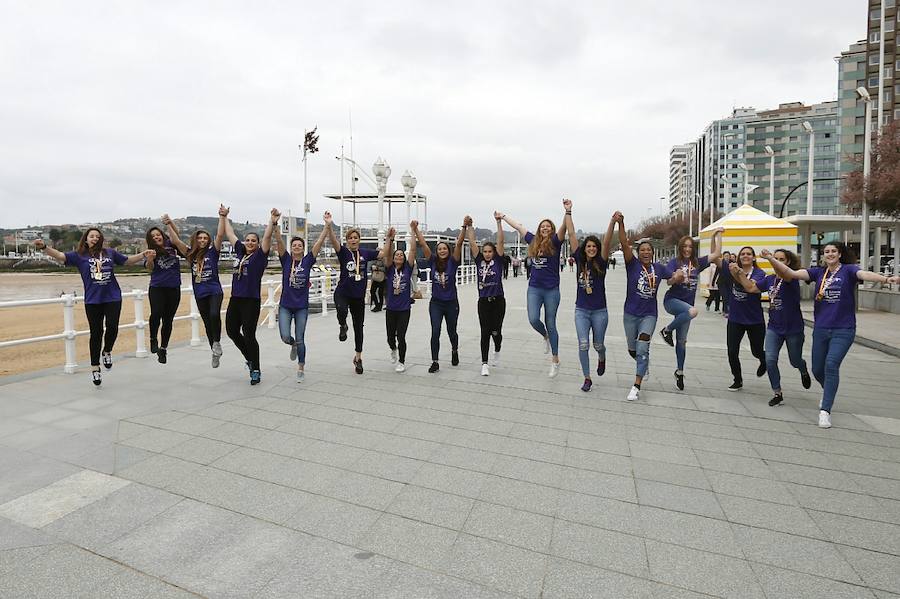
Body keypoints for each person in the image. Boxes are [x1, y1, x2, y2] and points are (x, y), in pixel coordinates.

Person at [764, 242, 899, 428]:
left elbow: (863, 274)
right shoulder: (818, 273)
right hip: (821, 328)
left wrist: (885, 279)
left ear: (840, 253)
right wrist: (771, 259)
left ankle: (825, 410)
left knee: (831, 364)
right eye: (826, 251)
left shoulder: (849, 270)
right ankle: (828, 390)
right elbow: (791, 274)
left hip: (844, 329)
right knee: (818, 370)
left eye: (833, 251)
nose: (830, 254)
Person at [34, 231, 154, 386]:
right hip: (93, 300)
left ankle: (107, 351)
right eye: (92, 236)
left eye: (98, 237)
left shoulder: (109, 253)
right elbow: (60, 256)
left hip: (113, 297)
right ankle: (95, 367)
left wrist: (143, 254)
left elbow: (127, 261)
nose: (95, 238)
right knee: (96, 333)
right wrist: (44, 247)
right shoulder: (79, 255)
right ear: (86, 239)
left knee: (112, 327)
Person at [617, 213, 684, 401]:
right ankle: (643, 361)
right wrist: (621, 223)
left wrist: (677, 277)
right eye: (643, 250)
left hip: (649, 315)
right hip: (630, 314)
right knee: (633, 349)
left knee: (643, 346)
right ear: (639, 253)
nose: (646, 252)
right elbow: (623, 243)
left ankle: (636, 386)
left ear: (652, 253)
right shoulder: (632, 265)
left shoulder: (659, 268)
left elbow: (671, 279)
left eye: (649, 250)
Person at [501, 200, 569, 377]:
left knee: (551, 323)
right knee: (533, 319)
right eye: (542, 226)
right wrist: (503, 216)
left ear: (551, 230)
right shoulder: (533, 241)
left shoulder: (555, 242)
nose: (545, 228)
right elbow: (519, 227)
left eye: (548, 226)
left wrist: (568, 211)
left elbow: (564, 228)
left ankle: (555, 360)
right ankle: (545, 336)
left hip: (552, 289)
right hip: (535, 288)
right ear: (539, 229)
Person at [325, 223, 394, 374]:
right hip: (343, 292)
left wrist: (389, 238)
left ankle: (358, 358)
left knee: (358, 327)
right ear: (347, 240)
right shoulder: (343, 252)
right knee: (342, 311)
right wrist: (328, 225)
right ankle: (342, 325)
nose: (353, 240)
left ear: (359, 240)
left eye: (355, 238)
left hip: (358, 296)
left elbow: (384, 253)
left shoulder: (365, 253)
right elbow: (333, 240)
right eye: (350, 238)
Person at [659, 229, 723, 391]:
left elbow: (716, 253)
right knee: (693, 312)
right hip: (673, 301)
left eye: (690, 247)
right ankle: (666, 330)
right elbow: (668, 282)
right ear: (680, 248)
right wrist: (676, 278)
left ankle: (679, 372)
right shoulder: (674, 262)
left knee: (681, 341)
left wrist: (716, 235)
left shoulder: (697, 263)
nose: (687, 249)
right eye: (684, 246)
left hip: (686, 307)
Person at [221, 206, 277, 385]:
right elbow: (229, 233)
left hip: (251, 301)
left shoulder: (260, 256)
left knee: (249, 335)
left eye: (253, 240)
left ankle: (255, 369)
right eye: (248, 240)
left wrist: (272, 220)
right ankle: (249, 358)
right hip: (235, 299)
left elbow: (267, 236)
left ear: (258, 244)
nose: (250, 243)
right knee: (231, 330)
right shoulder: (239, 251)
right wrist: (224, 217)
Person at [747, 249, 811, 406]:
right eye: (776, 258)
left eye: (781, 259)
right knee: (770, 360)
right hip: (774, 327)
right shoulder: (769, 280)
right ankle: (777, 392)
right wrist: (737, 273)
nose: (777, 261)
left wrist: (769, 258)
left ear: (788, 262)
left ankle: (802, 369)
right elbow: (751, 288)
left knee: (794, 360)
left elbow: (784, 273)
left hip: (793, 329)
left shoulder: (791, 278)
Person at [273, 211, 330, 382]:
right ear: (291, 248)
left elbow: (319, 243)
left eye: (299, 245)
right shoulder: (286, 260)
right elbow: (278, 241)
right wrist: (275, 224)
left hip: (301, 307)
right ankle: (292, 345)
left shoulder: (307, 261)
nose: (297, 247)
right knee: (285, 335)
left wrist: (327, 225)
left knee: (301, 338)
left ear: (303, 248)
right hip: (285, 305)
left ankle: (301, 368)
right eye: (294, 245)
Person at [164, 212, 226, 368]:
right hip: (200, 292)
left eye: (205, 238)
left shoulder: (213, 252)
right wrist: (168, 224)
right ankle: (214, 350)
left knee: (213, 314)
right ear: (195, 240)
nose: (203, 240)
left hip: (214, 290)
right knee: (206, 322)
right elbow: (176, 241)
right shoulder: (190, 254)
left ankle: (217, 342)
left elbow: (219, 234)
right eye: (200, 238)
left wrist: (222, 217)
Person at [566, 206, 615, 392]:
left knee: (598, 344)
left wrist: (612, 221)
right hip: (582, 310)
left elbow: (608, 240)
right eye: (589, 246)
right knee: (583, 344)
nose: (592, 248)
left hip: (600, 311)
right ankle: (587, 378)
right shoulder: (579, 260)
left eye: (594, 246)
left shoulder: (601, 262)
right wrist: (568, 212)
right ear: (584, 249)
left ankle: (602, 357)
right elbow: (571, 233)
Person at [414, 218, 464, 373]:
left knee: (452, 331)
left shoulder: (453, 261)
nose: (442, 251)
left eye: (445, 249)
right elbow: (423, 244)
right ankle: (434, 361)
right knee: (435, 330)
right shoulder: (433, 261)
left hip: (451, 303)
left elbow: (459, 244)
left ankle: (454, 350)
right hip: (436, 303)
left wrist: (464, 226)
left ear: (448, 251)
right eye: (439, 249)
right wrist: (415, 229)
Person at [718, 246, 767, 391]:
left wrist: (739, 274)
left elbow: (750, 287)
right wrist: (716, 236)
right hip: (735, 318)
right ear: (739, 257)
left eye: (749, 254)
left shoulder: (759, 273)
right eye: (743, 254)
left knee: (756, 350)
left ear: (753, 258)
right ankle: (737, 379)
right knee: (732, 351)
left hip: (755, 319)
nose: (745, 256)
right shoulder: (732, 269)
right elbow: (716, 258)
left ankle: (763, 360)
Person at [467, 213, 505, 376]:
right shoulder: (479, 260)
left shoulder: (498, 260)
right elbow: (472, 242)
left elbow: (501, 241)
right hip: (483, 301)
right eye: (486, 251)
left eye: (490, 251)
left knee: (496, 331)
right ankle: (484, 363)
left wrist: (498, 222)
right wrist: (469, 226)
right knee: (485, 331)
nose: (488, 254)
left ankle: (497, 348)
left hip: (498, 301)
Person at [145, 219, 184, 364]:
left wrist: (169, 222)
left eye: (158, 234)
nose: (156, 237)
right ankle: (153, 338)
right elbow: (149, 268)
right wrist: (150, 259)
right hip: (157, 287)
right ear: (150, 240)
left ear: (162, 235)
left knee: (168, 320)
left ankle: (163, 348)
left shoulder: (171, 245)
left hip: (174, 287)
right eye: (153, 236)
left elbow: (176, 235)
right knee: (156, 313)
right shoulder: (150, 251)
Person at [384, 224, 417, 372]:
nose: (398, 256)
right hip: (391, 309)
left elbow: (413, 251)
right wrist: (390, 238)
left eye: (401, 255)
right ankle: (393, 349)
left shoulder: (407, 269)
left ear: (404, 259)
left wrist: (413, 232)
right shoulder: (390, 269)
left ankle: (402, 362)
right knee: (390, 337)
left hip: (404, 309)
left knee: (401, 336)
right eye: (396, 255)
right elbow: (387, 254)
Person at [719, 251, 734, 318]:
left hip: (730, 283)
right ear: (723, 256)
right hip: (722, 283)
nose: (727, 257)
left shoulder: (732, 263)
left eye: (728, 256)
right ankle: (726, 311)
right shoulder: (721, 263)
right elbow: (716, 273)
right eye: (725, 256)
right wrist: (712, 282)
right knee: (725, 297)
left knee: (729, 297)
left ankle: (728, 310)